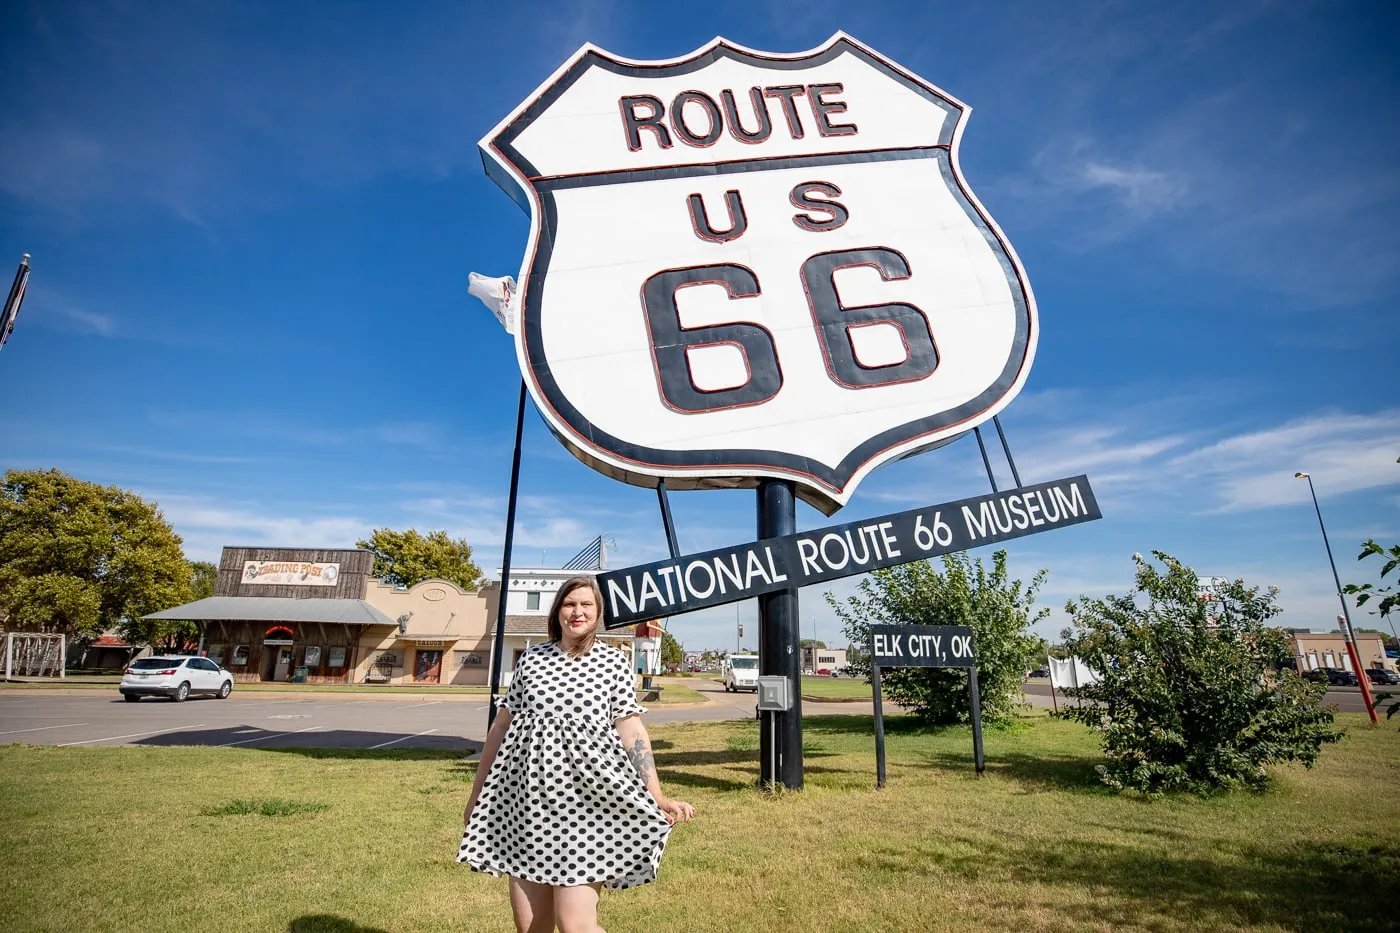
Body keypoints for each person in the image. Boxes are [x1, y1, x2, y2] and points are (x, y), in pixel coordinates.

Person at [459, 575, 695, 933]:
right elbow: (501, 728)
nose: (577, 612)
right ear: (558, 611)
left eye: (587, 605)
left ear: (598, 613)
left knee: (575, 925)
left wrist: (656, 795)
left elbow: (631, 730)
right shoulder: (533, 660)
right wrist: (478, 795)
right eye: (570, 604)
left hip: (586, 810)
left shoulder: (613, 663)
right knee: (530, 927)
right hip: (527, 810)